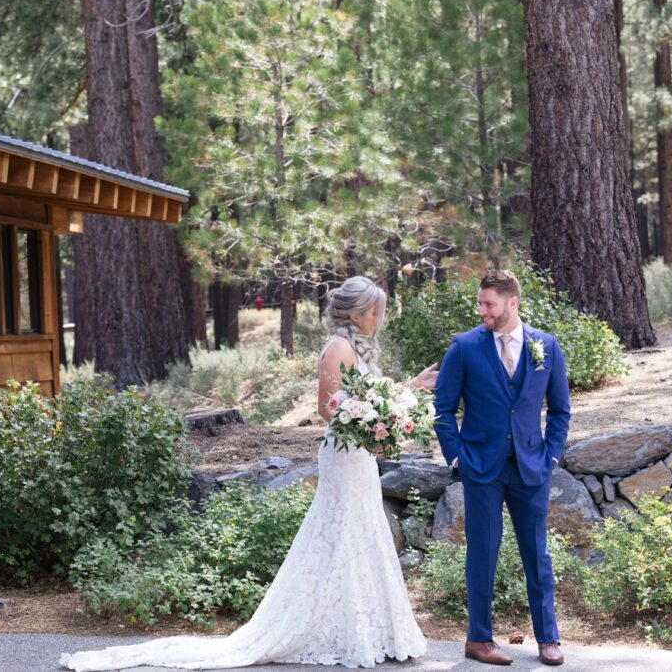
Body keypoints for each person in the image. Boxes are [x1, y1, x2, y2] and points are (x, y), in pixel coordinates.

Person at [61, 276, 438, 671]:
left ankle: (368, 628)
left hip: (357, 454)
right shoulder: (339, 347)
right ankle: (339, 628)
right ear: (359, 312)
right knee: (343, 530)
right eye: (376, 310)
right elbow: (329, 407)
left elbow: (364, 400)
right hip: (344, 456)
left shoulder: (354, 347)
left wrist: (408, 390)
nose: (380, 317)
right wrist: (365, 423)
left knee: (363, 531)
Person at [433, 270, 570, 666]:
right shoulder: (464, 347)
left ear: (513, 303)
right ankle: (478, 639)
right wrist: (457, 455)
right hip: (482, 467)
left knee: (537, 554)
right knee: (482, 553)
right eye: (480, 303)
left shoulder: (545, 345)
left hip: (531, 466)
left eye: (488, 304)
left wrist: (552, 455)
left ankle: (548, 638)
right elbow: (443, 409)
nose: (482, 310)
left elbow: (560, 410)